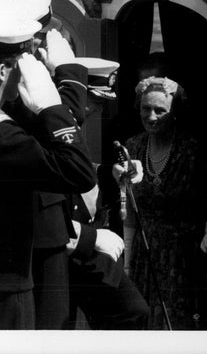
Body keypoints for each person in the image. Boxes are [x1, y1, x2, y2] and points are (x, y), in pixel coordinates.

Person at [0, 12, 96, 329]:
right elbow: (79, 171)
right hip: (2, 288)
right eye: (23, 66)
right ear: (4, 70)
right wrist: (50, 103)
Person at [119, 75, 207, 330]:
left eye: (160, 110)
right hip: (144, 254)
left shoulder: (192, 149)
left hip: (181, 257)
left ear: (174, 113)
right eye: (145, 108)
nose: (151, 116)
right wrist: (128, 258)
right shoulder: (133, 146)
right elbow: (129, 206)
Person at [65, 58, 150, 330]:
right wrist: (90, 237)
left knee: (132, 312)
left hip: (81, 243)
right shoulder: (55, 123)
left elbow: (74, 169)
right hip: (65, 241)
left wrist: (110, 172)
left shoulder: (74, 122)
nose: (98, 109)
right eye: (96, 100)